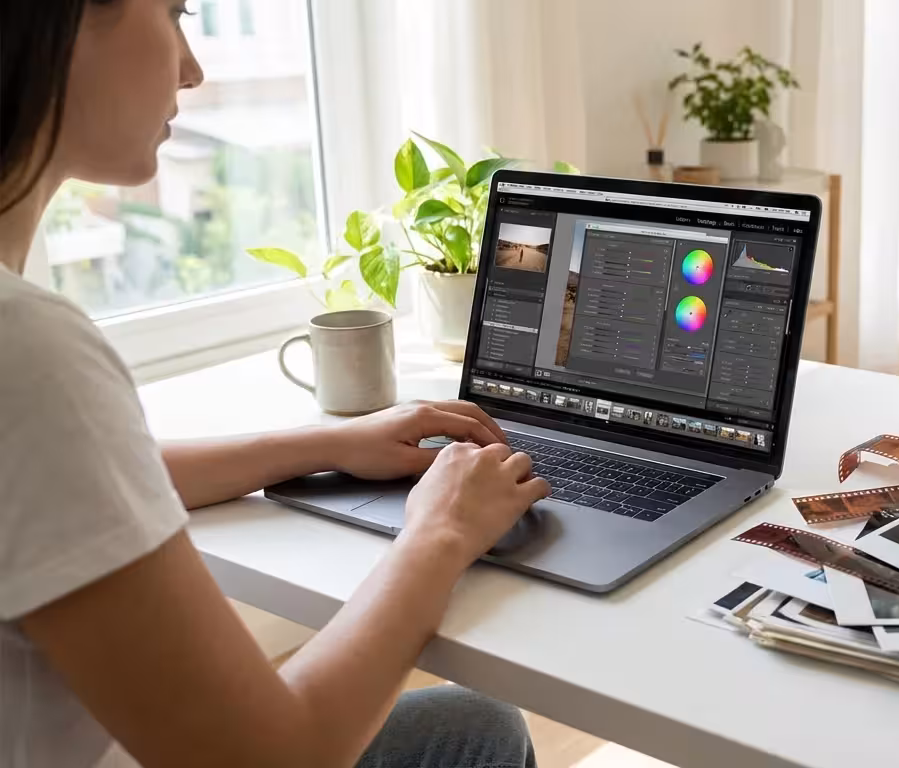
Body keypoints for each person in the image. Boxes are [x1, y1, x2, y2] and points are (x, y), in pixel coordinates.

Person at [0, 2, 550, 766]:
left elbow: (66, 484)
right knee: (478, 729)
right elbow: (275, 756)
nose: (191, 69)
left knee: (474, 723)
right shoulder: (26, 349)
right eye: (173, 12)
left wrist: (326, 443)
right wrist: (443, 531)